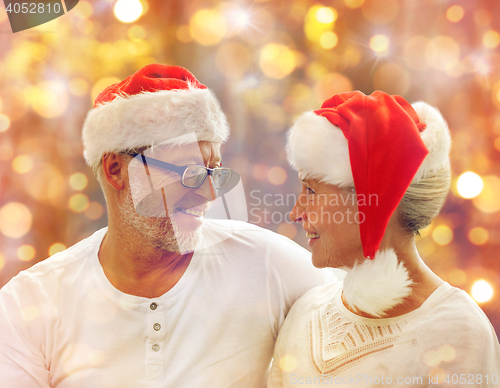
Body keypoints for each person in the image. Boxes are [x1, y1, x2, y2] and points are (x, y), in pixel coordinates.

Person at [0, 64, 335, 388]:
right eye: (189, 173)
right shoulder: (30, 302)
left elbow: (362, 332)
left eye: (213, 172)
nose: (208, 192)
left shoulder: (267, 265)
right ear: (116, 170)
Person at [268, 91, 500, 387]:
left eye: (312, 191)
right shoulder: (305, 313)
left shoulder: (458, 331)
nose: (296, 212)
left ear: (374, 203)